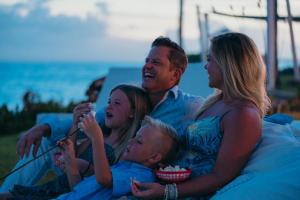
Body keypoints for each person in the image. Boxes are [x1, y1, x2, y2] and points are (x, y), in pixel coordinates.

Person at [0, 37, 203, 192]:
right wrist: (44, 127)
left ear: (175, 74)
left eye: (156, 62)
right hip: (103, 162)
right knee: (47, 142)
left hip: (126, 173)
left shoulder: (189, 107)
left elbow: (217, 111)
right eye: (146, 60)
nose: (147, 66)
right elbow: (94, 120)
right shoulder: (132, 96)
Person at [131, 32, 271, 199]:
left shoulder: (244, 114)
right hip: (170, 184)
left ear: (228, 64)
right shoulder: (215, 102)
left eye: (210, 60)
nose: (205, 66)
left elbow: (221, 176)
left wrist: (168, 192)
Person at [4, 84, 151, 199]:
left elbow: (86, 186)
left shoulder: (122, 149)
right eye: (109, 101)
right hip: (56, 186)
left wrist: (76, 159)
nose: (109, 106)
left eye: (117, 103)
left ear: (133, 113)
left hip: (66, 192)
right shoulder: (98, 133)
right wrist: (75, 124)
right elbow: (74, 153)